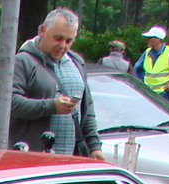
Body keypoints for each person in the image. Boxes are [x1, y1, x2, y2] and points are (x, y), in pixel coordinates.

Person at [10, 7, 103, 160]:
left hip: (70, 159)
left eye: (69, 40)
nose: (63, 46)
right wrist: (51, 106)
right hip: (32, 157)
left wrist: (94, 147)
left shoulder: (77, 63)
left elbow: (87, 109)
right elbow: (10, 104)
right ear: (42, 30)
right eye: (58, 38)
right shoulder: (22, 61)